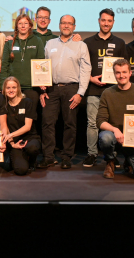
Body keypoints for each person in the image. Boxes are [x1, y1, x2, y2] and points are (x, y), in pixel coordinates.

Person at [38, 14, 91, 169]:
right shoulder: (49, 43)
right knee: (47, 122)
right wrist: (42, 87)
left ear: (74, 27)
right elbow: (43, 66)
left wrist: (80, 93)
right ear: (59, 25)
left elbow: (86, 69)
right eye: (64, 23)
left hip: (71, 89)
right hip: (51, 89)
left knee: (70, 124)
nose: (66, 26)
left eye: (70, 23)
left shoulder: (81, 45)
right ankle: (48, 157)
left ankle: (66, 157)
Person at [83, 8, 126, 167]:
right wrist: (90, 79)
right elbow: (82, 67)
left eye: (109, 21)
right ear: (99, 21)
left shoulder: (120, 43)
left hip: (114, 91)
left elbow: (124, 68)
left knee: (114, 123)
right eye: (103, 20)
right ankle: (92, 154)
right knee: (92, 124)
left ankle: (112, 156)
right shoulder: (88, 42)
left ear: (113, 23)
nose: (106, 23)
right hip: (93, 90)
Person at [97, 59, 134, 179]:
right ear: (114, 74)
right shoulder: (107, 93)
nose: (121, 76)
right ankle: (110, 162)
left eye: (124, 72)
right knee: (105, 137)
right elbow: (100, 121)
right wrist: (115, 130)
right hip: (114, 138)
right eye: (118, 73)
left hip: (132, 140)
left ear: (130, 73)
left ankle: (128, 160)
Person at [1, 14, 45, 112]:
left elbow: (41, 63)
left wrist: (42, 83)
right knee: (13, 117)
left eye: (25, 23)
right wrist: (2, 86)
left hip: (31, 88)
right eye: (20, 23)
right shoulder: (9, 42)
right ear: (16, 26)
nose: (23, 26)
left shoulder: (37, 41)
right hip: (13, 88)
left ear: (30, 25)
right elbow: (5, 65)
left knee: (30, 117)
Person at [0, 77, 40, 175]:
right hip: (15, 141)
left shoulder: (27, 102)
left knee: (32, 148)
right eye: (8, 88)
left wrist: (10, 136)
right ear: (4, 90)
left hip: (30, 138)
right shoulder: (3, 106)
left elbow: (27, 126)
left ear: (18, 89)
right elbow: (4, 126)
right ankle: (19, 158)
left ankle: (32, 160)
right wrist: (12, 144)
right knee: (21, 170)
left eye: (14, 87)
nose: (11, 90)